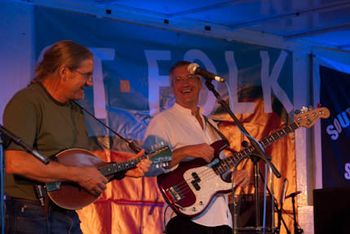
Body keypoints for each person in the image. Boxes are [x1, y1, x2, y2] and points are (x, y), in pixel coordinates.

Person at [3, 40, 151, 234]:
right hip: (31, 214)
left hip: (66, 214)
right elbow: (17, 163)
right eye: (86, 75)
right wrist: (78, 175)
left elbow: (80, 168)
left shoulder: (75, 109)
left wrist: (125, 169)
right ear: (64, 72)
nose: (90, 83)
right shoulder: (27, 101)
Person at [144, 60, 247, 234]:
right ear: (172, 87)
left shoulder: (211, 124)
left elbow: (213, 171)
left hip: (221, 219)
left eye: (190, 78)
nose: (185, 83)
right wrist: (185, 151)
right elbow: (150, 164)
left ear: (200, 84)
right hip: (186, 218)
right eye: (178, 79)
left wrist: (232, 176)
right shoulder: (163, 121)